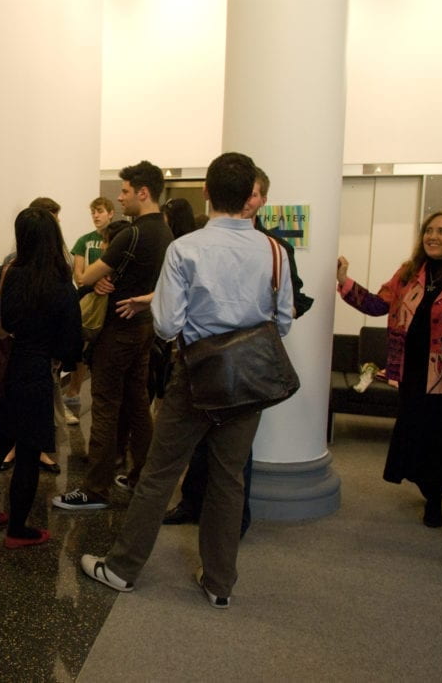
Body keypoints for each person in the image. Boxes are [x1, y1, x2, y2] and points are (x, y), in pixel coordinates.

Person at [80, 152, 293, 606]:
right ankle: (219, 583)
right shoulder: (274, 250)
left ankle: (122, 568)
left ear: (209, 194)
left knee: (159, 474)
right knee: (229, 479)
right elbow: (285, 320)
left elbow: (167, 325)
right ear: (249, 196)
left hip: (195, 375)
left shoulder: (187, 248)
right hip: (250, 383)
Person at [162, 166, 314, 533]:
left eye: (257, 194)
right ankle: (192, 504)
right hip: (201, 362)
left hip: (245, 367)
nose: (250, 201)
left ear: (262, 200)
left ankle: (233, 525)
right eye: (249, 193)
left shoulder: (277, 249)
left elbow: (291, 304)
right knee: (200, 448)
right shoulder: (197, 244)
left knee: (233, 460)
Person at [337, 211, 442, 526]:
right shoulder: (408, 274)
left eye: (441, 231)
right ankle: (428, 487)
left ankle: (435, 499)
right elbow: (377, 305)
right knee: (416, 438)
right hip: (412, 374)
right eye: (428, 230)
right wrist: (343, 280)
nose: (432, 236)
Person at [53, 161, 173, 509]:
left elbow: (87, 276)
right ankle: (141, 476)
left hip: (118, 330)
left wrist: (100, 277)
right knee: (138, 402)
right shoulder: (165, 232)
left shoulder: (131, 234)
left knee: (105, 406)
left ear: (143, 192)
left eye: (123, 191)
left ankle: (94, 489)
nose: (119, 198)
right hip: (144, 327)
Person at [0, 207, 82, 548]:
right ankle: (17, 529)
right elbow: (71, 342)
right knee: (29, 453)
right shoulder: (60, 281)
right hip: (34, 373)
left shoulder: (6, 272)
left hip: (2, 369)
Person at [0, 197, 71, 473]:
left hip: (28, 358)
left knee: (36, 412)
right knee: (29, 413)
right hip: (34, 358)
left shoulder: (55, 269)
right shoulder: (13, 266)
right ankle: (19, 449)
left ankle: (35, 449)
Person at [65, 197, 116, 402]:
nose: (96, 216)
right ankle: (74, 392)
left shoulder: (120, 237)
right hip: (89, 300)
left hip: (112, 302)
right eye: (93, 212)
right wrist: (94, 283)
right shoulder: (84, 240)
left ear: (111, 213)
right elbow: (78, 275)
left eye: (100, 211)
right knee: (82, 345)